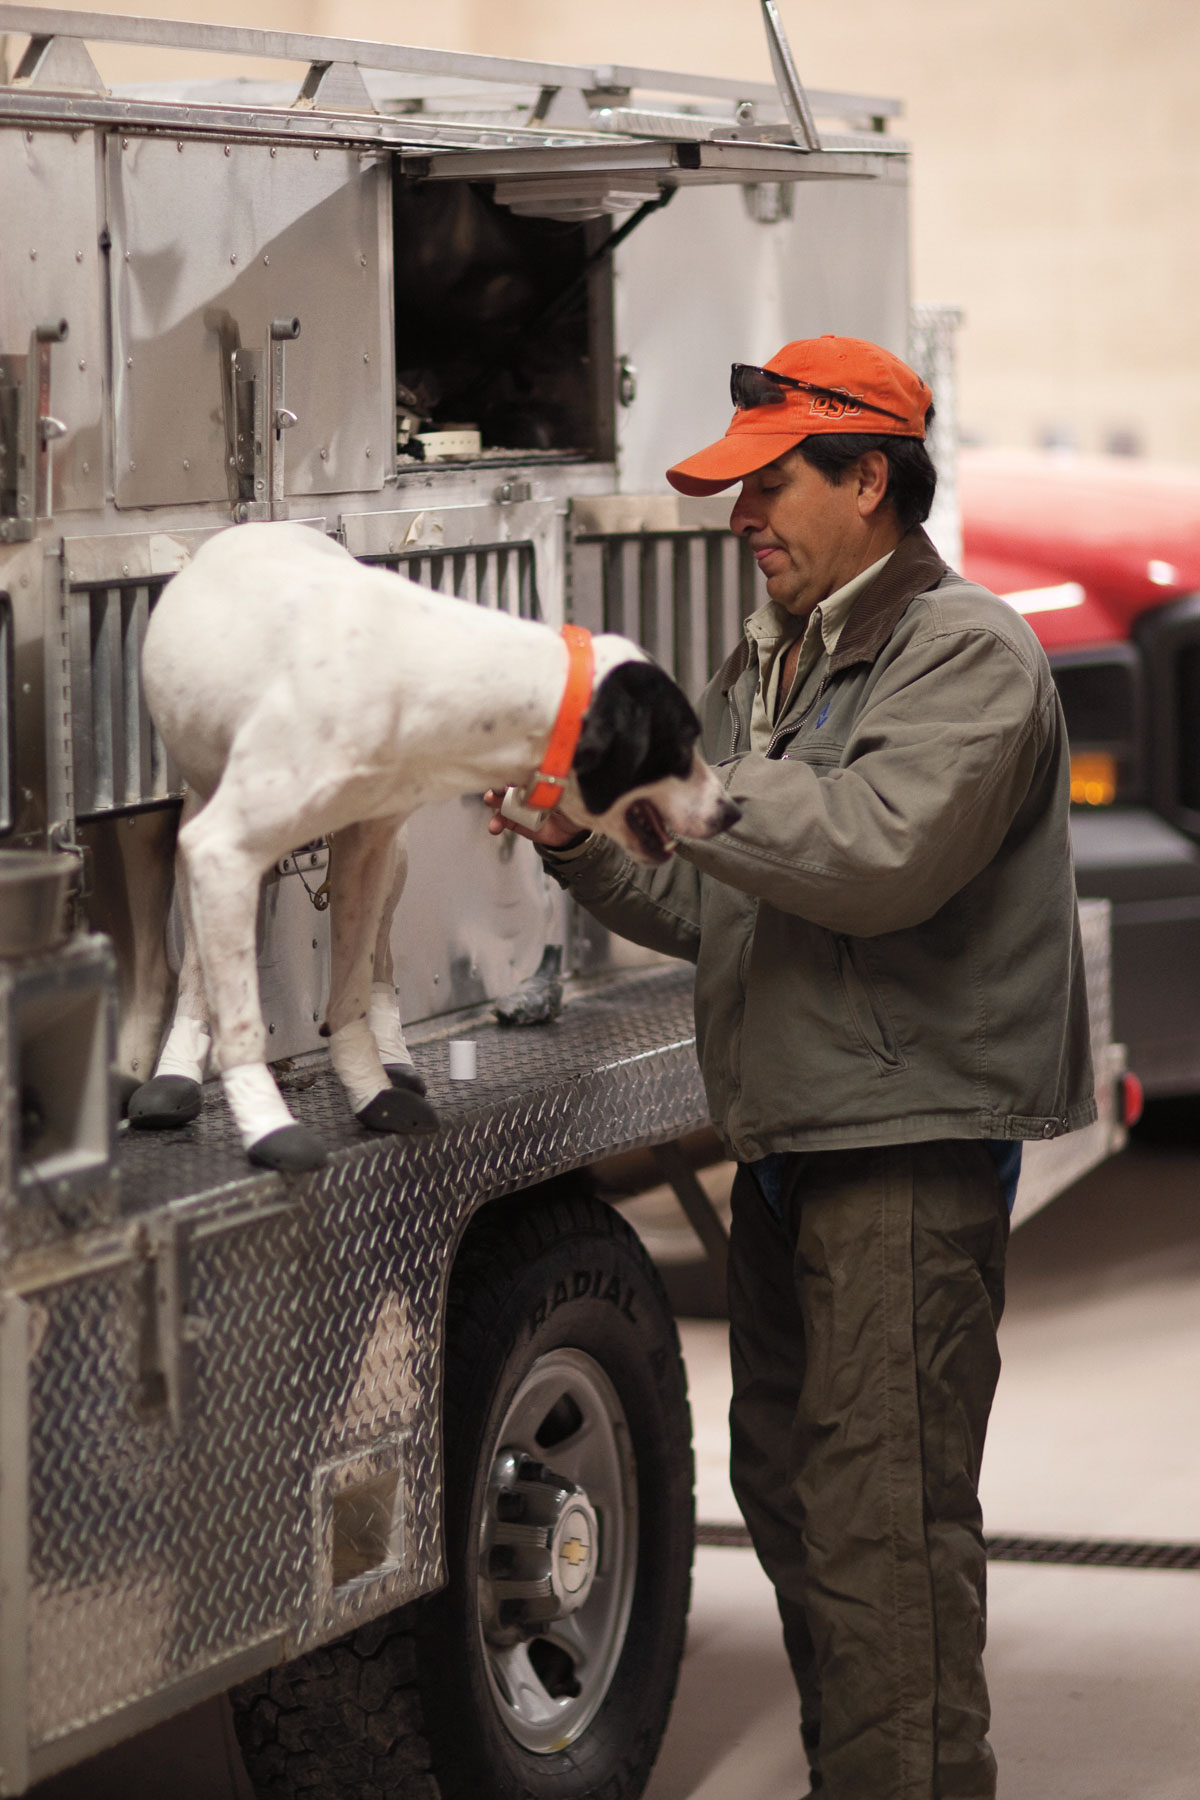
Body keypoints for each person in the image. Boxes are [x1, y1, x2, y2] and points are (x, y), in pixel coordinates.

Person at [487, 335, 1095, 1800]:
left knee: (882, 1519)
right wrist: (582, 840)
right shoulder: (782, 657)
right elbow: (717, 897)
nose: (739, 520)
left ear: (869, 480)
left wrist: (688, 792)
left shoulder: (967, 656)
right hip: (795, 1146)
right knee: (796, 1493)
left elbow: (878, 854)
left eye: (768, 487)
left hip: (903, 1151)